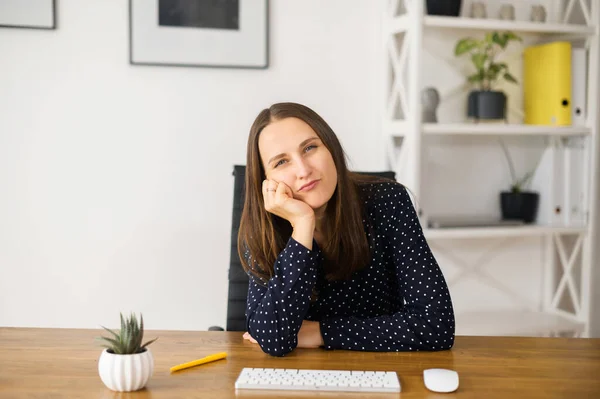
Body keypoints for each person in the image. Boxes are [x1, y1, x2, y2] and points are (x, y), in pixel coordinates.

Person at [238, 102, 455, 357]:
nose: (303, 170)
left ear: (331, 148)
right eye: (281, 162)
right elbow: (273, 340)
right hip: (300, 375)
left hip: (381, 369)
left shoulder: (387, 201)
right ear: (266, 180)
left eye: (309, 148)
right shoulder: (262, 226)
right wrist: (302, 226)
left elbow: (436, 324)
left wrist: (321, 332)